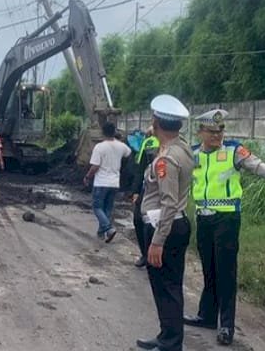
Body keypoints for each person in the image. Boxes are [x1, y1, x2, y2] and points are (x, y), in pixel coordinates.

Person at [183, 109, 265, 346]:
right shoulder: (193, 153)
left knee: (225, 272)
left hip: (227, 219)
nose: (217, 136)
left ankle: (226, 325)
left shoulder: (233, 151)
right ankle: (206, 315)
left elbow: (258, 165)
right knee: (208, 268)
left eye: (220, 131)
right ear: (200, 132)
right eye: (212, 132)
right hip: (203, 219)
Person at [136, 94, 194, 351]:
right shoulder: (181, 147)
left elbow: (169, 202)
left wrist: (157, 241)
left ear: (157, 122)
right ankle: (166, 335)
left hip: (165, 227)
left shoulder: (166, 159)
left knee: (166, 287)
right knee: (168, 285)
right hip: (175, 225)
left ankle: (171, 343)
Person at [83, 122, 132, 243]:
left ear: (102, 132)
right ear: (114, 131)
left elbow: (95, 166)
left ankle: (109, 228)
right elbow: (129, 153)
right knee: (107, 208)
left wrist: (88, 177)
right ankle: (101, 232)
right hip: (114, 183)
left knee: (97, 207)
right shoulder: (121, 146)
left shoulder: (100, 147)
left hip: (101, 182)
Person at [131, 126, 160, 267]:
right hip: (148, 186)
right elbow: (140, 166)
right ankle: (145, 253)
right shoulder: (148, 142)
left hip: (167, 187)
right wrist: (136, 191)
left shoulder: (178, 143)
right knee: (138, 219)